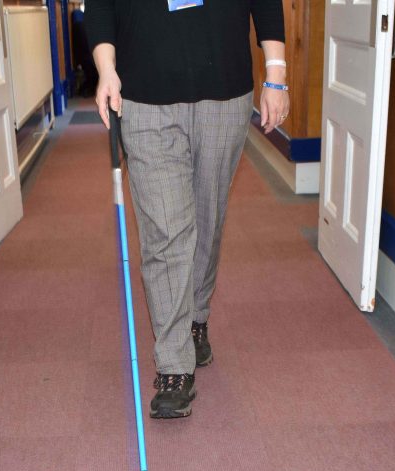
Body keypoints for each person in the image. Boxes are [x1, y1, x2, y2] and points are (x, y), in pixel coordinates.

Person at [85, 0, 289, 419]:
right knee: (166, 233)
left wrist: (277, 74)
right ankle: (174, 365)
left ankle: (197, 314)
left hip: (225, 92)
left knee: (206, 222)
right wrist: (106, 69)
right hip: (143, 96)